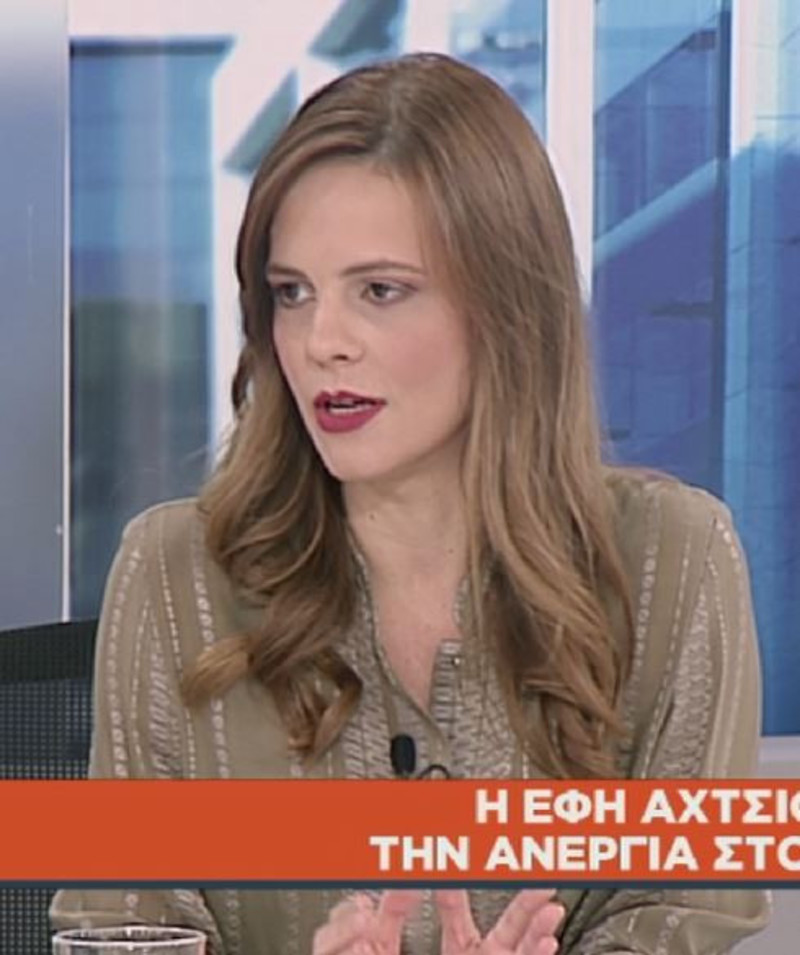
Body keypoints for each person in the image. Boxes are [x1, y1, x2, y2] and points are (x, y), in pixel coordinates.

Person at [51, 53, 769, 954]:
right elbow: (125, 926)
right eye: (291, 293)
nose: (322, 341)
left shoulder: (673, 559)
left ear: (505, 306)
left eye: (381, 290)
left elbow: (677, 914)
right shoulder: (173, 574)